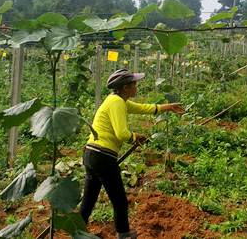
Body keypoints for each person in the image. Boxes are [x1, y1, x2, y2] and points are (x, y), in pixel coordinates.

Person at [79, 68, 184, 239]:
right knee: (119, 200)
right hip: (103, 157)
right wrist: (135, 136)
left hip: (91, 154)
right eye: (134, 84)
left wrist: (169, 107)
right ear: (126, 87)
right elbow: (121, 133)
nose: (137, 87)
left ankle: (77, 231)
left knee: (89, 199)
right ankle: (124, 233)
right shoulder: (117, 103)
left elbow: (144, 108)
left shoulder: (117, 100)